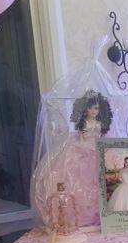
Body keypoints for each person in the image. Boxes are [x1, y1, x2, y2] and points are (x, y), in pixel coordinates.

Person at [32, 89, 113, 227]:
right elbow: (81, 138)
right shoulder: (84, 123)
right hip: (83, 148)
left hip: (98, 147)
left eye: (96, 108)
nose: (93, 111)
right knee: (78, 176)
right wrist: (84, 147)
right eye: (90, 108)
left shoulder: (100, 123)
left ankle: (104, 213)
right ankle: (79, 215)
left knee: (100, 177)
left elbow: (102, 137)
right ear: (84, 109)